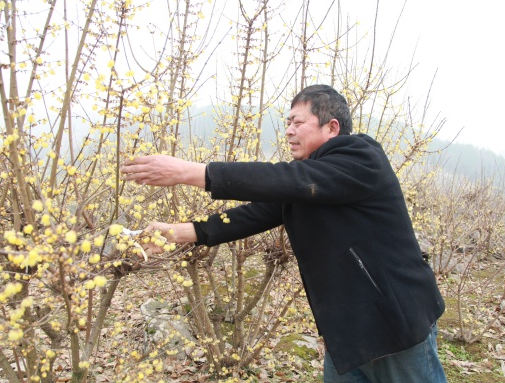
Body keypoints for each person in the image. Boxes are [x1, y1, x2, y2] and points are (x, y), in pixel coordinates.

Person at [121, 85, 447, 382]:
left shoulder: (361, 158)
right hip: (348, 332)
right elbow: (258, 212)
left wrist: (188, 172)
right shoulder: (309, 180)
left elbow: (286, 180)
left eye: (298, 122)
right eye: (287, 122)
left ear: (331, 127)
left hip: (396, 324)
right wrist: (181, 233)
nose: (288, 131)